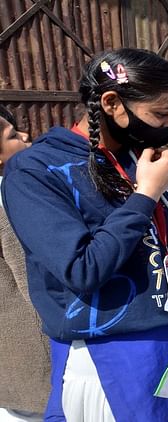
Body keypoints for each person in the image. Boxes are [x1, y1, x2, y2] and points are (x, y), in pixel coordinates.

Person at [1, 48, 168, 422]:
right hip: (112, 353)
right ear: (111, 103)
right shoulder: (37, 170)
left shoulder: (145, 156)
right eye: (160, 114)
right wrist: (146, 194)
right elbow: (81, 269)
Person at [0, 106, 46, 422]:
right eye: (13, 135)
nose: (26, 135)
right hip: (31, 351)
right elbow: (32, 279)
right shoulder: (8, 200)